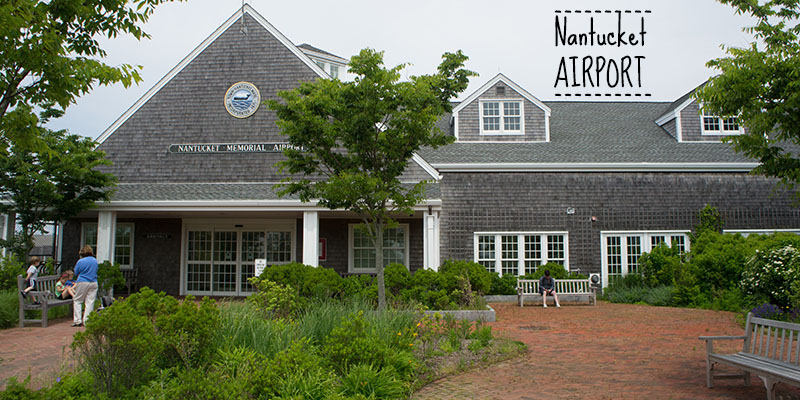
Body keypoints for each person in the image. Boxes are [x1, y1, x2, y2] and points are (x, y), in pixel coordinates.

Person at [72, 245, 99, 327]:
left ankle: (77, 320)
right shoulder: (95, 261)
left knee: (77, 300)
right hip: (93, 282)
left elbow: (76, 272)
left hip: (83, 281)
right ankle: (87, 321)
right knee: (90, 302)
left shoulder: (80, 261)